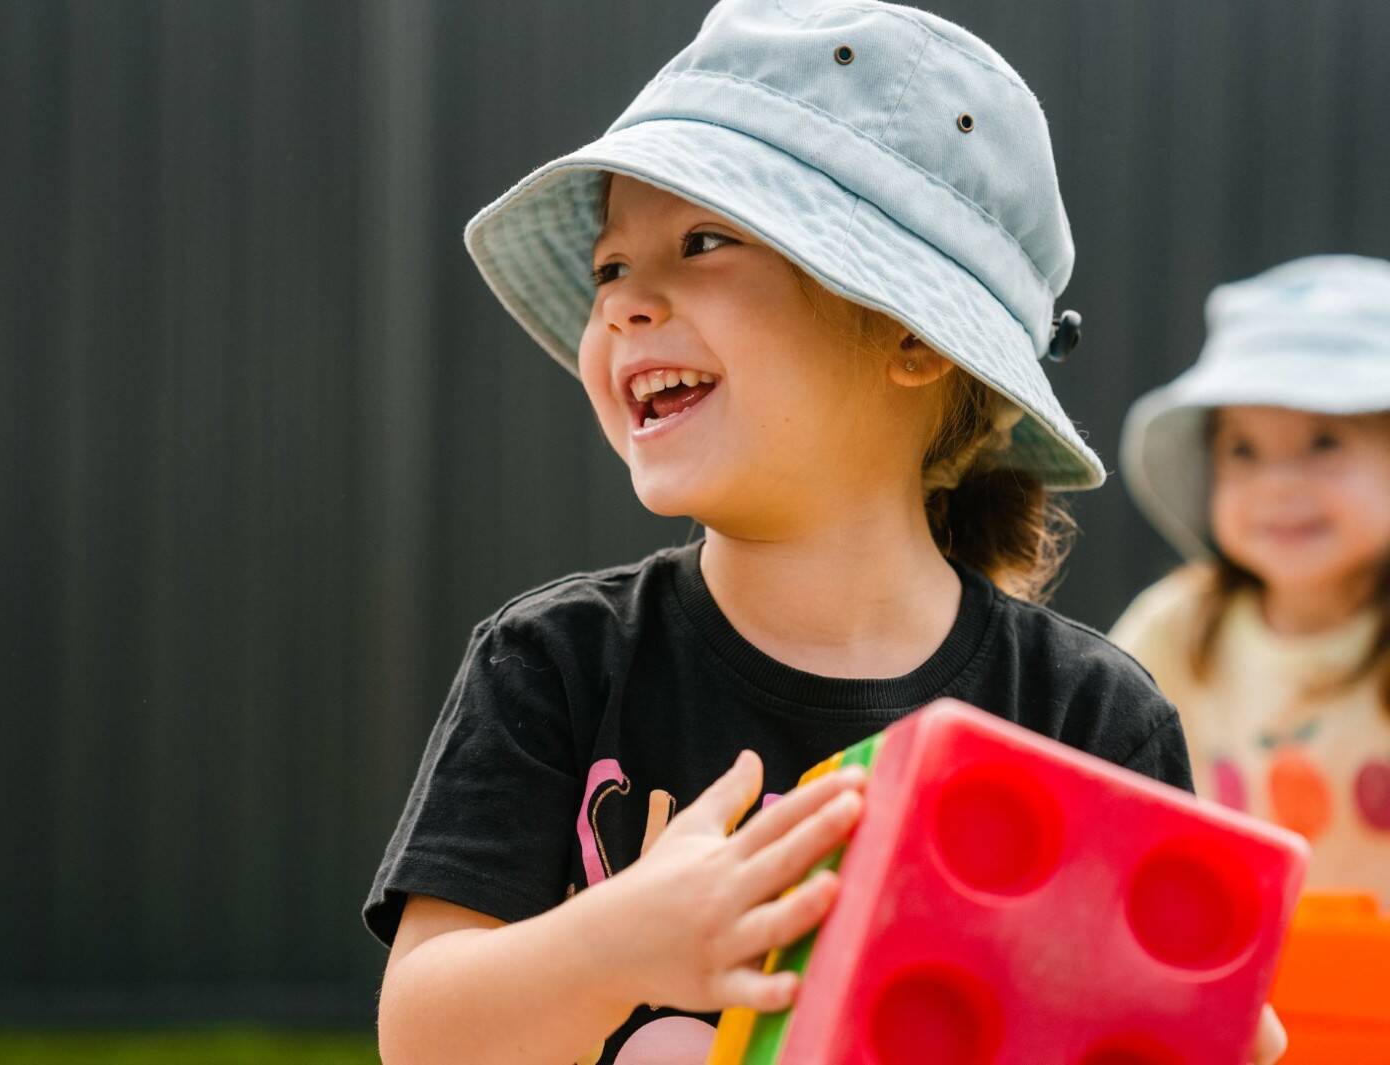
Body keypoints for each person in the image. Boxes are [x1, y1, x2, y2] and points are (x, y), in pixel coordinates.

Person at [366, 1, 1281, 1061]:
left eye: (703, 241)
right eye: (611, 267)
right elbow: (420, 1034)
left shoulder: (1085, 719)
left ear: (910, 334)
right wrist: (618, 946)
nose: (621, 305)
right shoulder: (555, 664)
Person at [1113, 254, 1390, 906]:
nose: (1277, 484)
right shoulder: (1180, 625)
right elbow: (1097, 759)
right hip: (1230, 974)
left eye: (1324, 441)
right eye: (1243, 450)